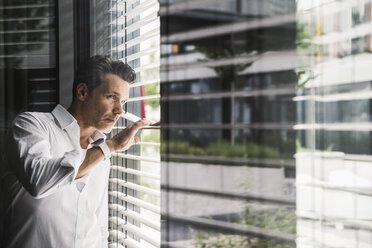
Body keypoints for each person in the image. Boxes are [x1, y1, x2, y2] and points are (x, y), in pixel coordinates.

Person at [0, 55, 150, 248]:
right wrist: (110, 147)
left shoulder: (102, 156)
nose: (120, 110)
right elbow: (39, 181)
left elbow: (98, 225)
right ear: (82, 92)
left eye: (124, 101)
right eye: (112, 97)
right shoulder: (30, 125)